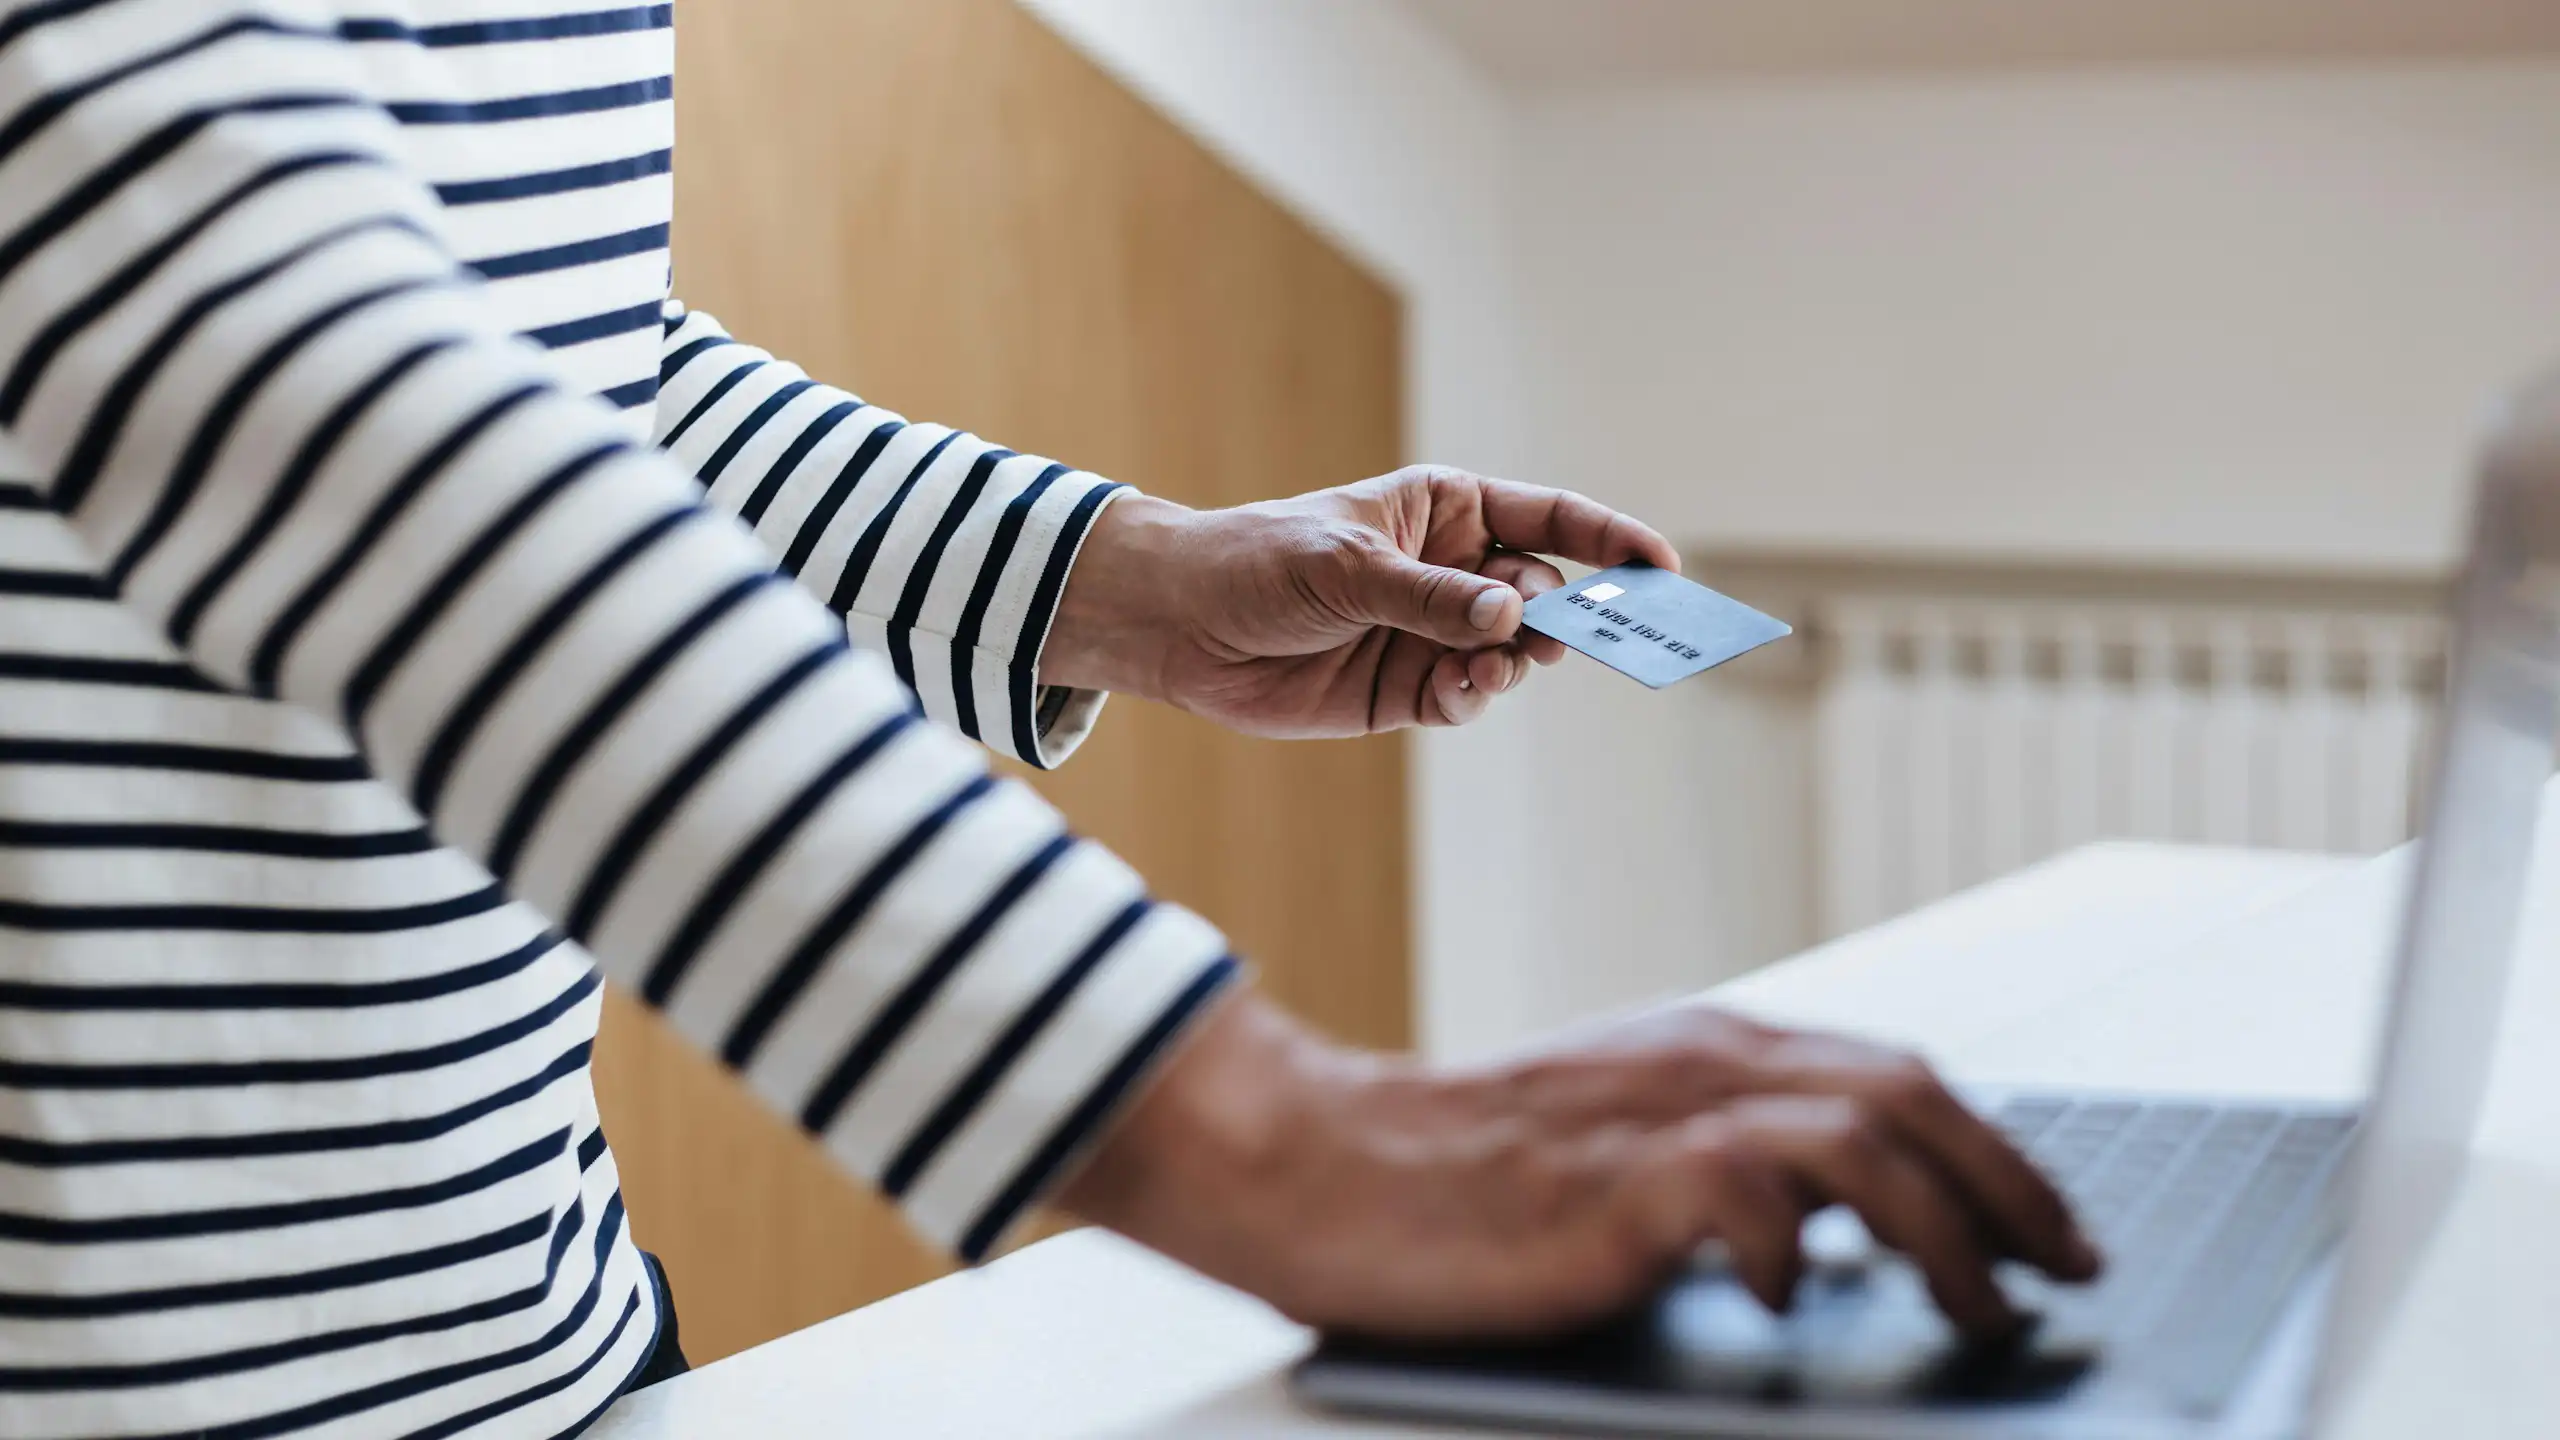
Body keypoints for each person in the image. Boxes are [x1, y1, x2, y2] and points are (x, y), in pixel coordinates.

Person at [0, 4, 2097, 1436]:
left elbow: (532, 352)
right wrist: (1262, 1133)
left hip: (518, 1328)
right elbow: (256, 357)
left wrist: (1113, 583)